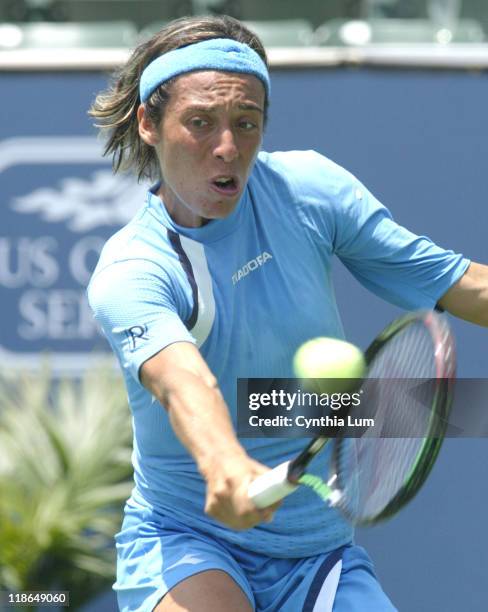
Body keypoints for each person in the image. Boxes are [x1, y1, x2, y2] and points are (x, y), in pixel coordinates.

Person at [87, 14, 488, 612]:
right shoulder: (133, 269)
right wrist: (226, 466)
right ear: (149, 123)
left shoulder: (310, 192)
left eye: (246, 124)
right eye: (200, 123)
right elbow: (184, 382)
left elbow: (458, 283)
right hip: (187, 541)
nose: (227, 147)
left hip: (321, 554)